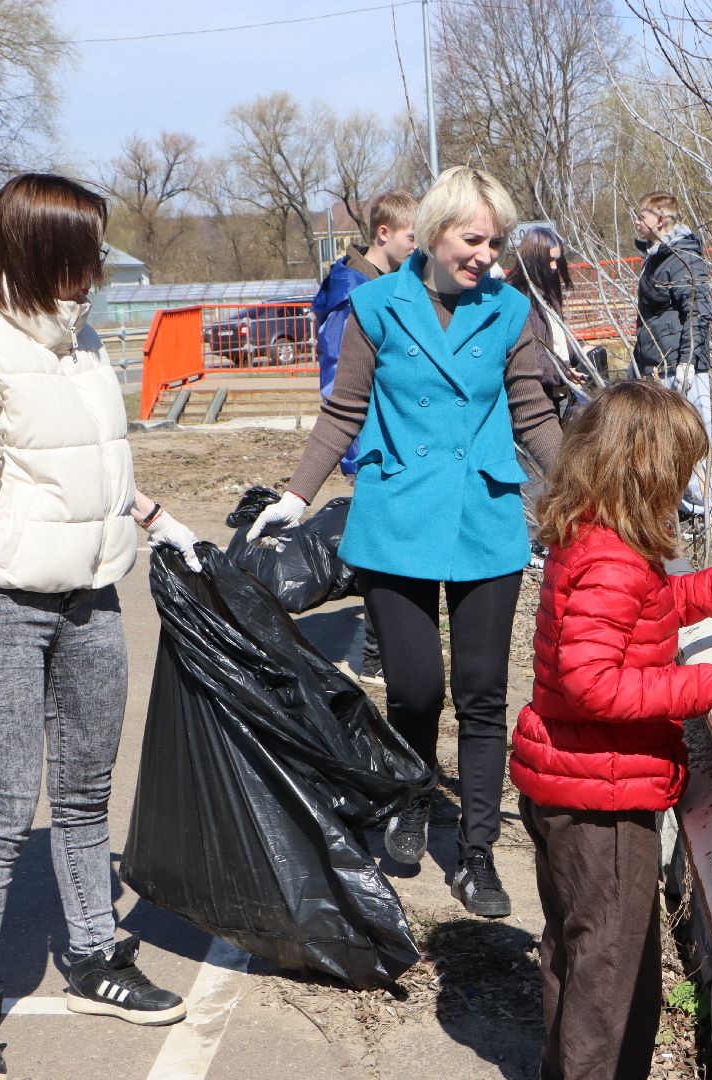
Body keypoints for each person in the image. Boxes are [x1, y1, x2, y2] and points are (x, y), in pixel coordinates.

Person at [0, 174, 196, 1080]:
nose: (98, 269)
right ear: (34, 250)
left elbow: (87, 464)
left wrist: (152, 519)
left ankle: (95, 958)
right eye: (84, 252)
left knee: (82, 795)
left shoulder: (78, 339)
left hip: (90, 599)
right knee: (0, 809)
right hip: (1, 604)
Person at [247, 166, 563, 919]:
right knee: (418, 688)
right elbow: (343, 411)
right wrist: (296, 497)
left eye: (496, 240)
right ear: (432, 235)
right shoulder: (377, 306)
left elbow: (533, 417)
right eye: (473, 239)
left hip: (484, 516)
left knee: (484, 695)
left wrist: (592, 492)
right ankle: (413, 795)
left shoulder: (511, 309)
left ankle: (478, 853)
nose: (488, 254)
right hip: (394, 520)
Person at [510, 380, 712, 1080]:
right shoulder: (610, 559)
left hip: (568, 780)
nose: (687, 486)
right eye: (682, 470)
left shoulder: (594, 537)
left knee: (577, 952)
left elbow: (659, 605)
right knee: (613, 975)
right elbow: (593, 684)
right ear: (649, 471)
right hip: (603, 796)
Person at [312, 189, 419, 683]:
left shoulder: (385, 282)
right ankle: (377, 659)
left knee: (396, 546)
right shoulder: (352, 295)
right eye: (412, 237)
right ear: (384, 234)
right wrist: (356, 456)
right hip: (371, 447)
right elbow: (339, 385)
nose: (419, 249)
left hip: (390, 440)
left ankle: (384, 652)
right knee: (384, 552)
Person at [631, 191, 712, 520]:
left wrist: (687, 362)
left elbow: (698, 311)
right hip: (656, 367)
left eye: (642, 216)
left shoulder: (682, 258)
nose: (637, 222)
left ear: (661, 221)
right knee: (663, 444)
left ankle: (700, 516)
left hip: (680, 368)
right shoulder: (656, 257)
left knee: (690, 442)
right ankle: (678, 512)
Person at [504, 225, 585, 421]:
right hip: (535, 396)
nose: (554, 267)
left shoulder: (547, 292)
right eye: (549, 260)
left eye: (557, 260)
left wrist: (579, 350)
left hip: (558, 388)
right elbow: (529, 351)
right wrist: (562, 372)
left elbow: (555, 338)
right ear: (533, 259)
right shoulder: (518, 297)